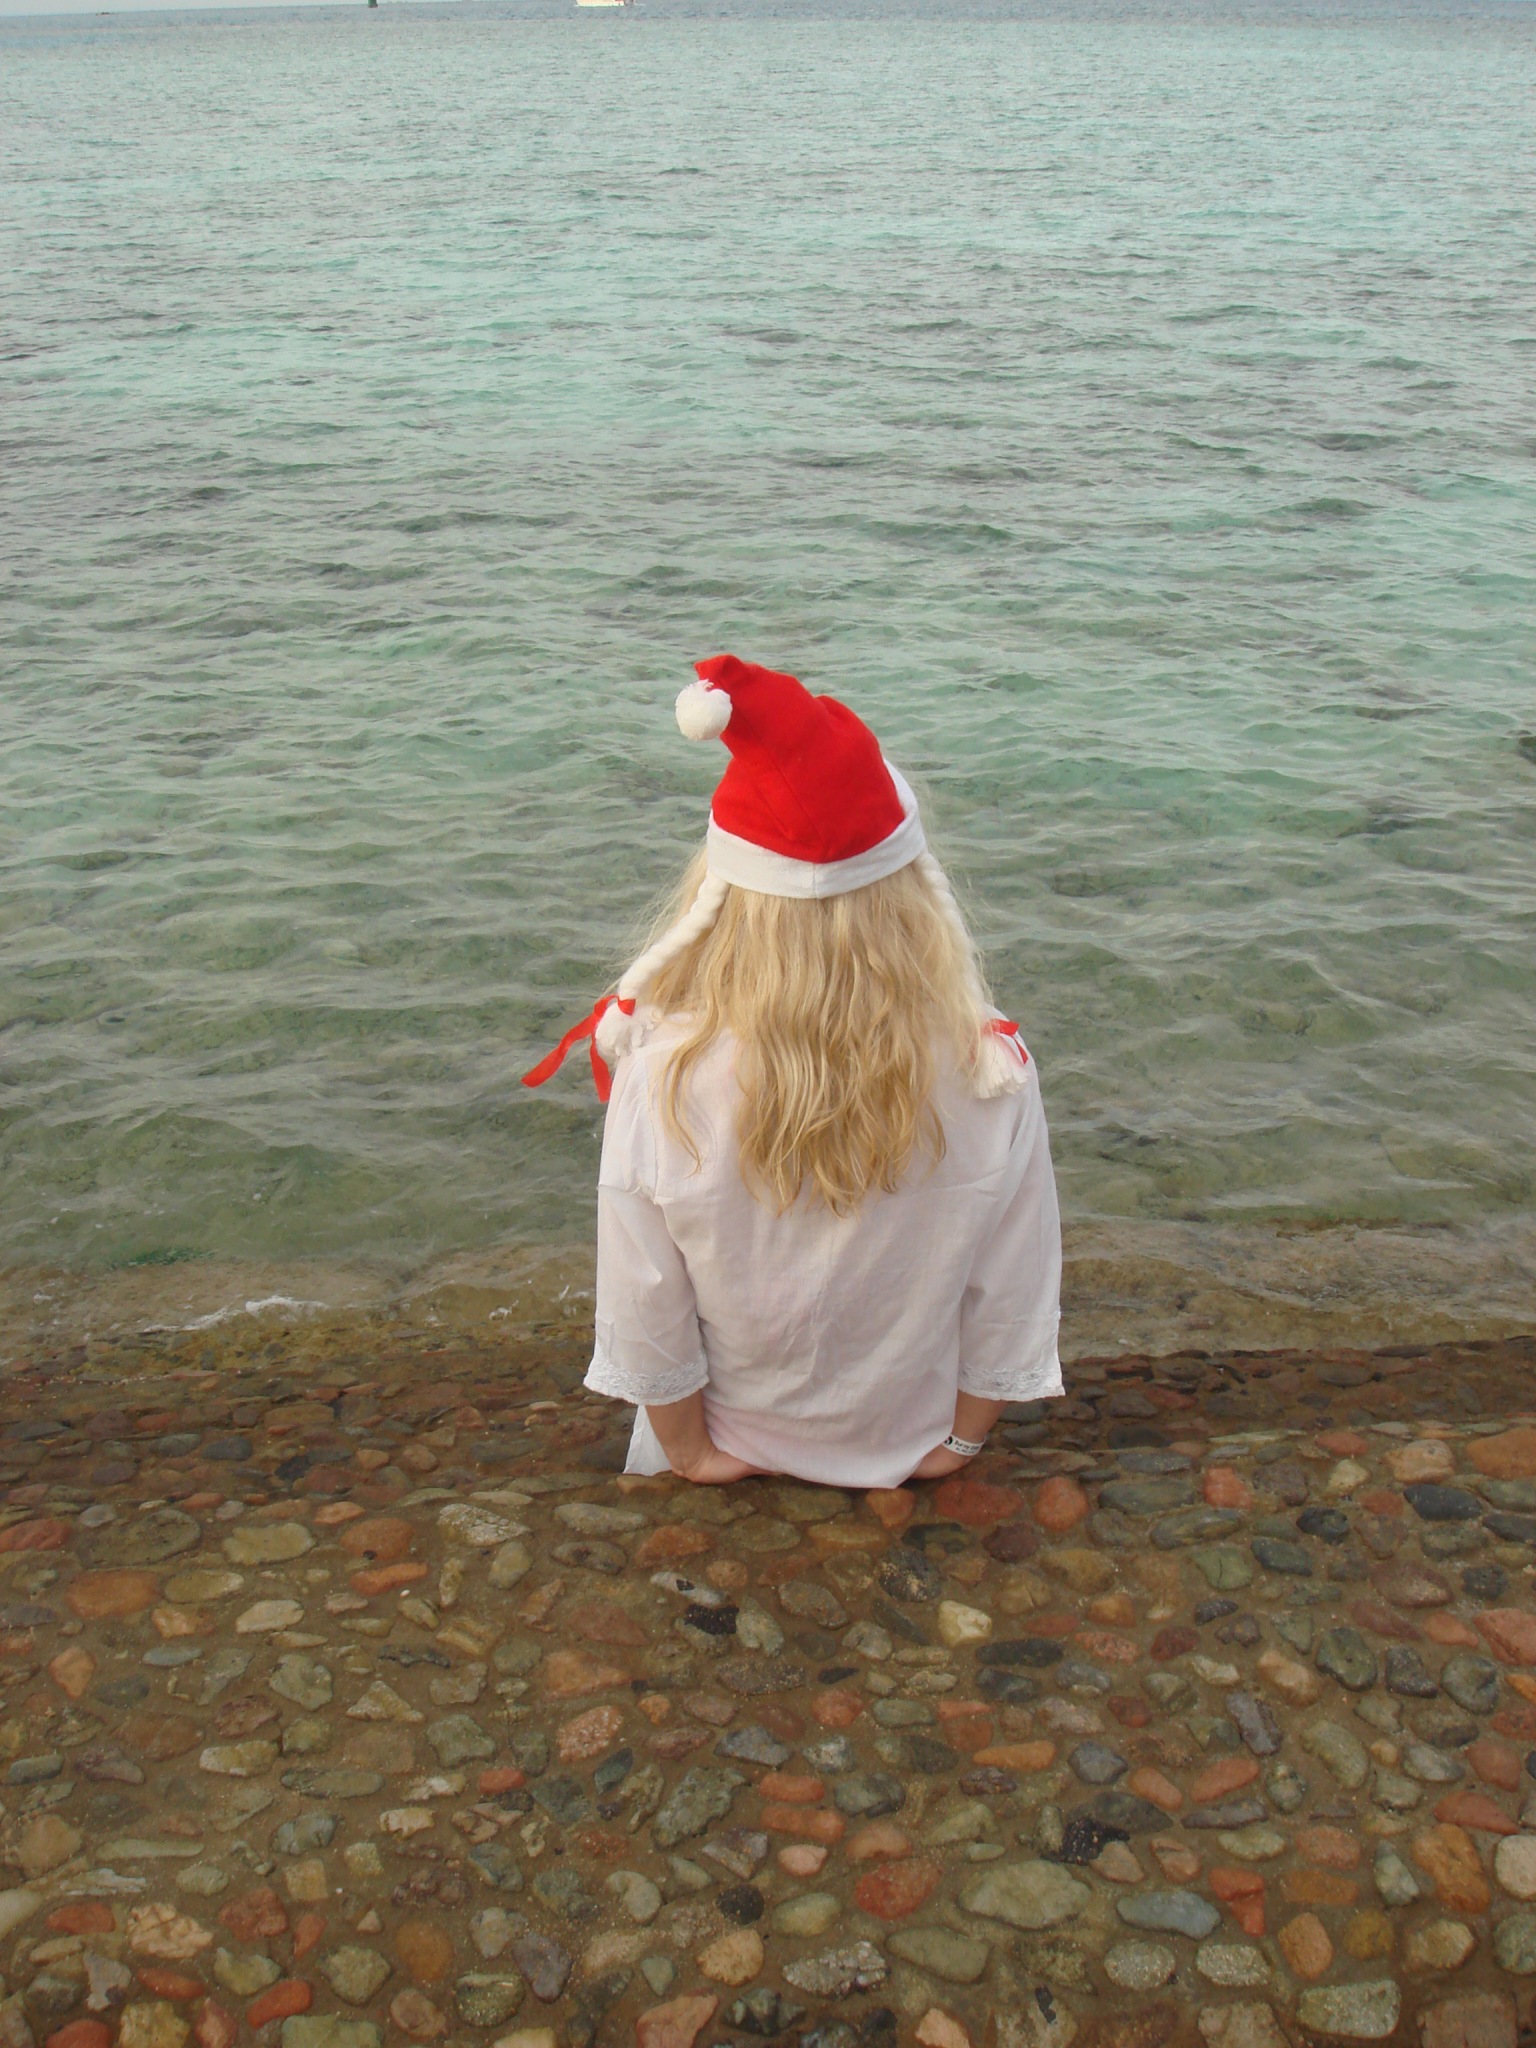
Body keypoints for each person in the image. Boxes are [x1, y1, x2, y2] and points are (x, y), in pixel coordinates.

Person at [523, 654, 1063, 1487]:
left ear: (719, 897)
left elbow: (646, 1297)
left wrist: (691, 1453)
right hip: (907, 1439)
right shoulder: (987, 1067)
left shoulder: (664, 1068)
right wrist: (960, 1444)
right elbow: (1013, 1287)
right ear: (912, 890)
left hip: (725, 1439)